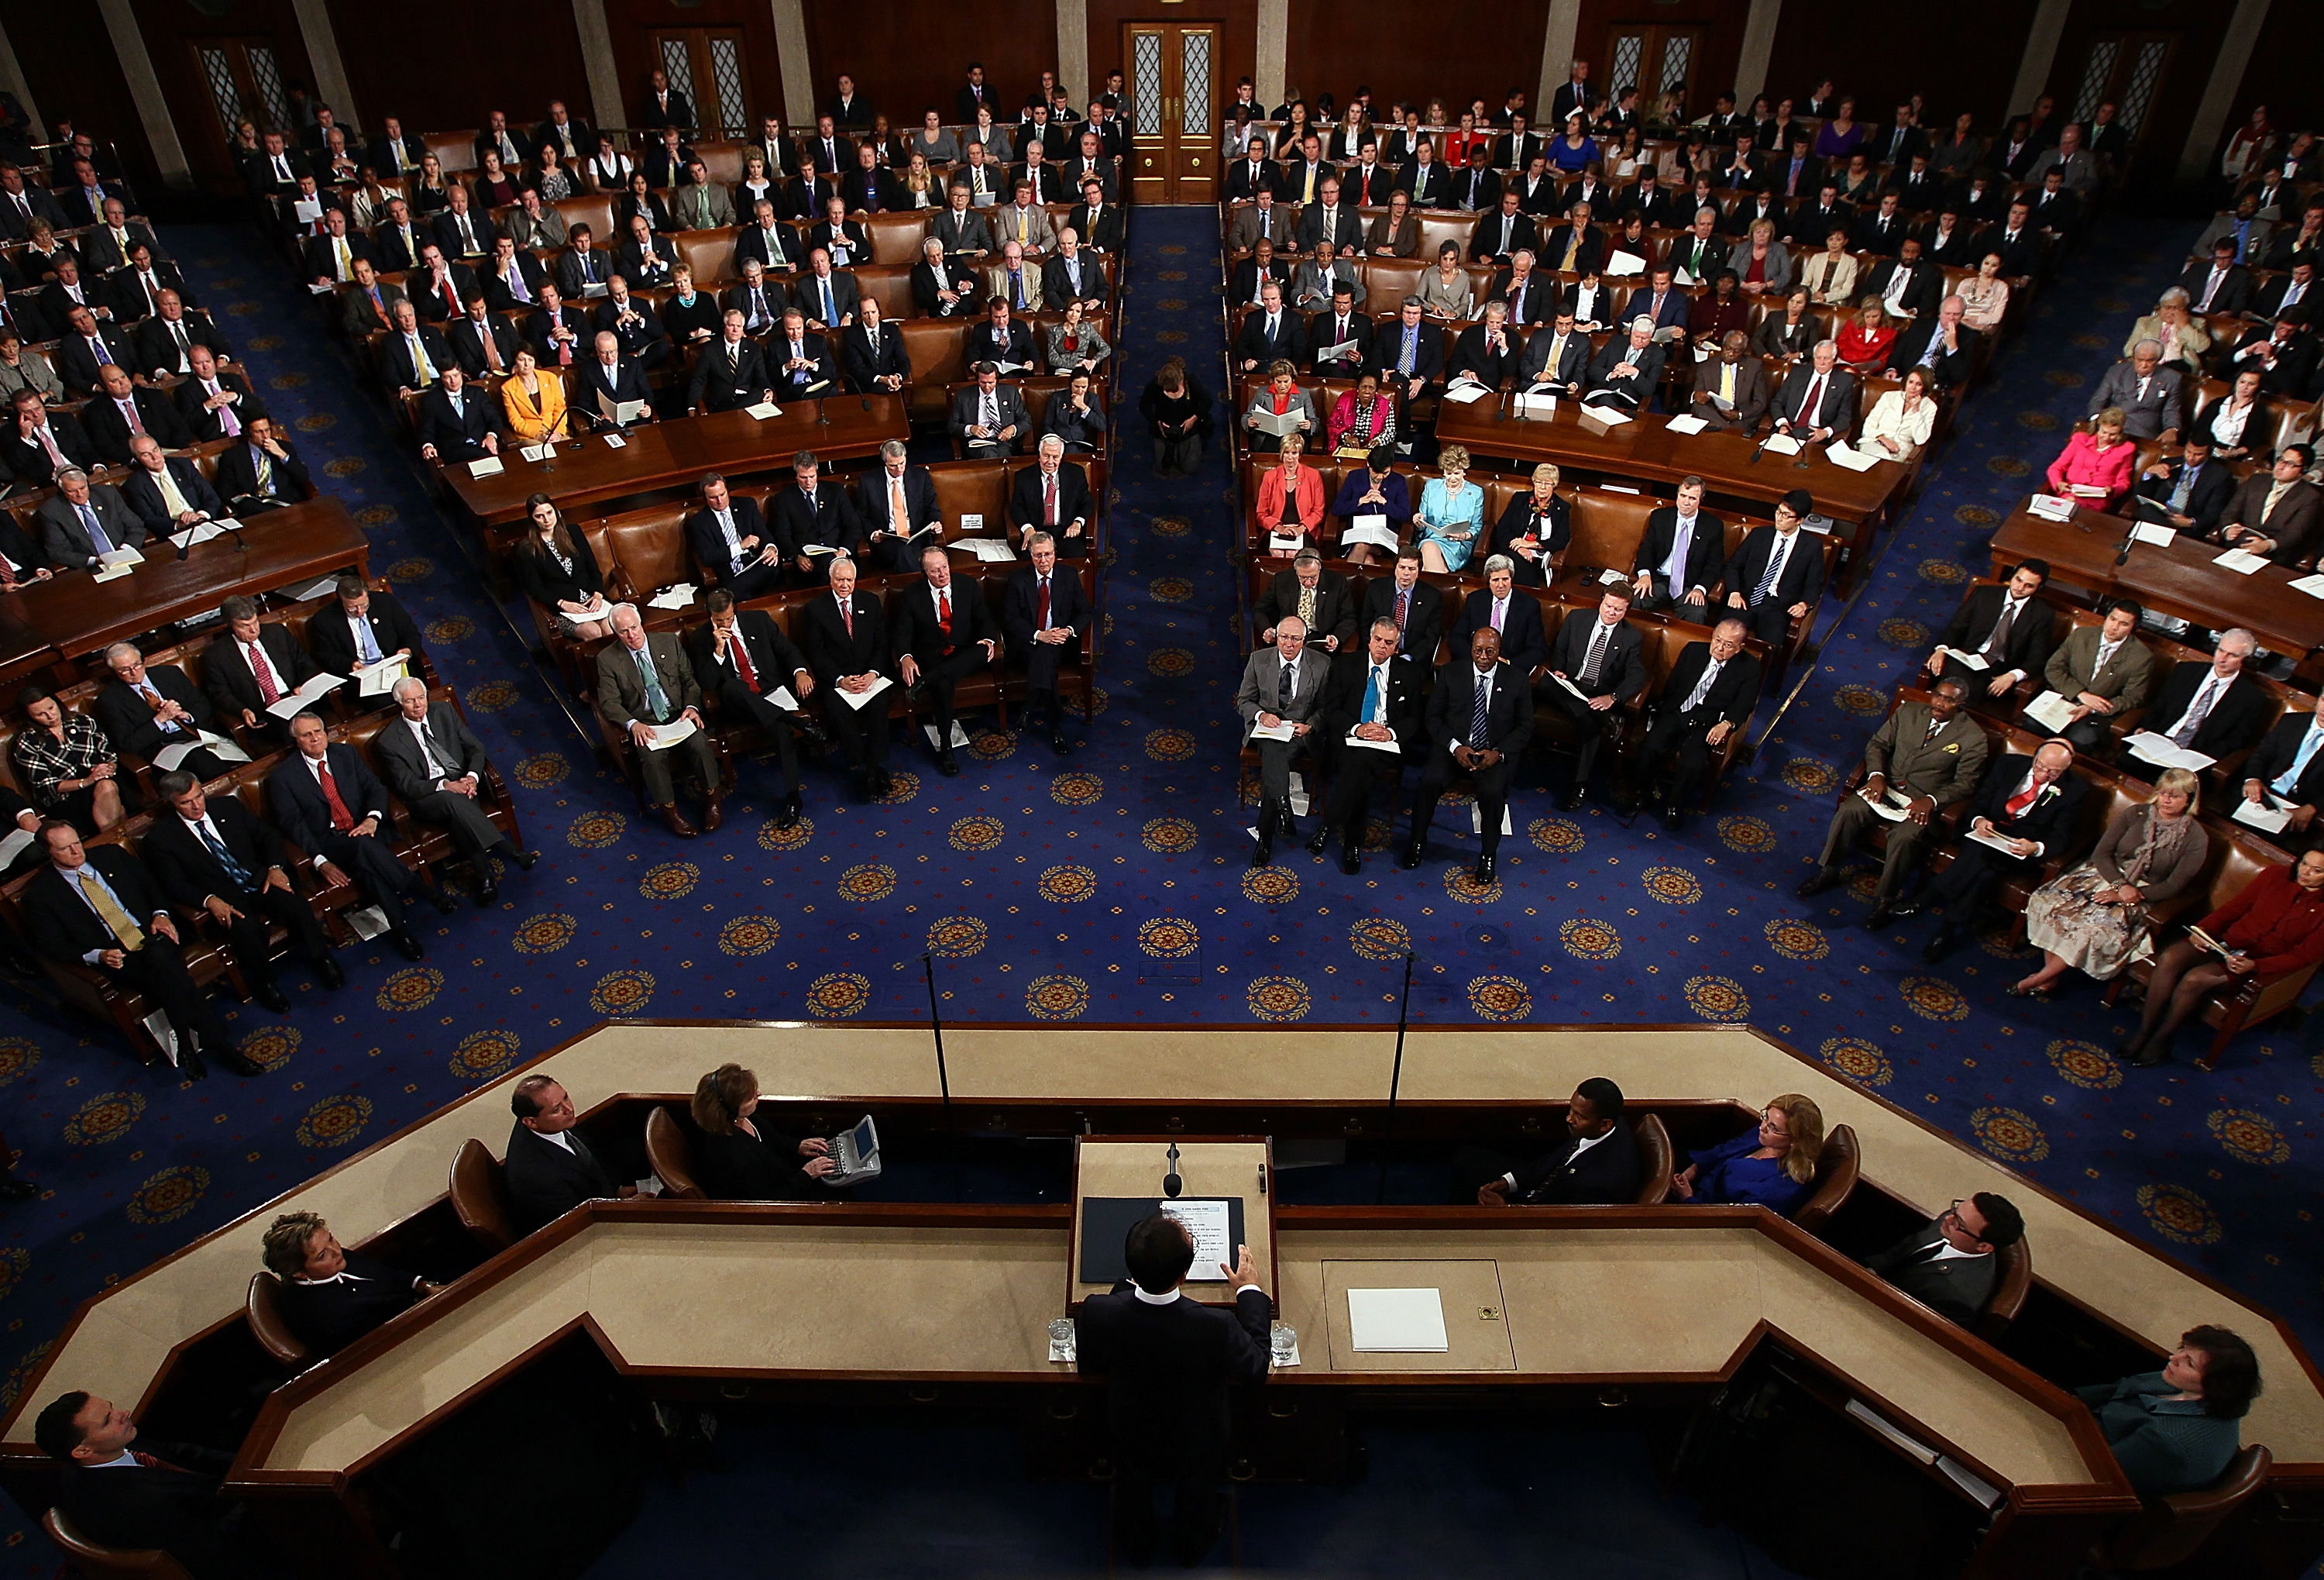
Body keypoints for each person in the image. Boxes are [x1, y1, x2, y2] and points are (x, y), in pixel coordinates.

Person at [1075, 1214, 1270, 1569]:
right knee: (1197, 1491)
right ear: (1184, 1276)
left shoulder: (1098, 1311)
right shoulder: (1216, 1326)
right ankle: (1191, 1546)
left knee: (1133, 1485)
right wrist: (1249, 1292)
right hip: (1196, 1434)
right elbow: (1256, 1368)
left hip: (1131, 1428)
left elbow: (1089, 1365)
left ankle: (1137, 1545)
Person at [20, 820, 263, 1079]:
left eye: (77, 843)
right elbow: (52, 945)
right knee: (168, 972)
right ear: (49, 853)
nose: (77, 851)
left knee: (160, 961)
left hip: (153, 932)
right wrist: (97, 955)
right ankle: (220, 1047)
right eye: (65, 849)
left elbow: (153, 885)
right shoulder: (41, 896)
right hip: (117, 956)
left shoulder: (111, 855)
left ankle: (190, 1046)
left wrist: (161, 914)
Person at [1800, 678, 1989, 928]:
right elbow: (1878, 744)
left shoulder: (1973, 738)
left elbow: (1967, 784)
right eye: (1938, 696)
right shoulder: (1909, 711)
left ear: (1962, 704)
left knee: (1905, 837)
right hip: (1885, 786)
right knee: (1850, 809)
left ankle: (1885, 900)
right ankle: (1829, 871)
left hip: (1920, 802)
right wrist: (1876, 775)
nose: (1940, 703)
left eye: (1949, 700)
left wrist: (1931, 801)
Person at [144, 766, 343, 1002]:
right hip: (223, 897)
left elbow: (267, 836)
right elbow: (173, 883)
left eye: (199, 796)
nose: (197, 806)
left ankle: (323, 959)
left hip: (260, 880)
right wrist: (208, 901)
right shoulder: (162, 838)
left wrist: (275, 868)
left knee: (295, 904)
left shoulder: (227, 806)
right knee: (245, 929)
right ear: (172, 803)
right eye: (186, 803)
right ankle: (266, 983)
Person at [2013, 769, 2210, 999]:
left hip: (2144, 892)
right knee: (2050, 902)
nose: (2165, 800)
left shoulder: (2197, 838)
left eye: (2174, 796)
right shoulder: (2136, 813)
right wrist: (2118, 885)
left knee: (2091, 931)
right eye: (2162, 793)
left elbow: (2174, 885)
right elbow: (2101, 854)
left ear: (2189, 798)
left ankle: (2039, 978)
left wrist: (2126, 894)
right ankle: (2050, 976)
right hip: (2107, 874)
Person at [2121, 846, 2324, 1067]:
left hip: (2256, 964)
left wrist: (2256, 965)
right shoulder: (2275, 875)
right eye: (2304, 863)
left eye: (2316, 870)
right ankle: (2145, 1031)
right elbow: (2234, 908)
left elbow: (2303, 957)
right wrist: (2203, 930)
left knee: (2195, 979)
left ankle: (2162, 1039)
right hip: (2228, 941)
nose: (2305, 872)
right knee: (2171, 957)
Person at [34, 1389, 260, 1577]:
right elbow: (214, 1549)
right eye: (107, 1421)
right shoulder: (137, 1505)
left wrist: (248, 1462)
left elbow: (178, 1452)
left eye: (111, 1408)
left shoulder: (101, 1453)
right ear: (83, 1450)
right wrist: (259, 1491)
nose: (123, 1413)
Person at [1899, 739, 2089, 961]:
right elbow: (1981, 800)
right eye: (2040, 766)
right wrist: (1979, 821)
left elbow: (2062, 836)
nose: (2044, 774)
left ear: (2066, 770)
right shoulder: (2009, 765)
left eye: (2054, 773)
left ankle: (1926, 897)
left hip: (2019, 851)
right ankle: (1945, 931)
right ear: (2035, 757)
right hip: (1985, 835)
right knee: (1984, 870)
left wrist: (2036, 847)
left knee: (1983, 865)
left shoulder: (2075, 791)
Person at [376, 676, 538, 904]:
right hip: (427, 796)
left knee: (459, 813)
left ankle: (486, 880)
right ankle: (509, 850)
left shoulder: (443, 711)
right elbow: (407, 785)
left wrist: (471, 778)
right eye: (410, 701)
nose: (418, 705)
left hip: (461, 783)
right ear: (400, 704)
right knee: (451, 800)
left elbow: (475, 747)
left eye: (421, 698)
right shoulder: (390, 741)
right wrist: (445, 785)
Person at [1405, 625, 1532, 883]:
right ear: (1471, 649)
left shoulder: (1517, 679)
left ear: (1499, 651)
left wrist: (1498, 752)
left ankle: (1488, 855)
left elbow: (1525, 726)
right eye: (1478, 650)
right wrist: (1455, 747)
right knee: (1428, 782)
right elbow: (1433, 718)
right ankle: (1417, 841)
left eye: (1490, 651)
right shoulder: (1451, 673)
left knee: (1493, 793)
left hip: (1493, 754)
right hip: (1454, 749)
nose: (1483, 656)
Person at [2077, 1328, 2262, 1496]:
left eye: (2189, 1363)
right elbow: (2116, 1390)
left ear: (2216, 1386)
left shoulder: (2168, 1444)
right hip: (2084, 1423)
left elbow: (2095, 1473)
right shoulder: (2182, 1382)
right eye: (2182, 1349)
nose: (2174, 1358)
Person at [596, 604, 724, 838]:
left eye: (634, 627)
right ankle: (671, 812)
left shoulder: (668, 642)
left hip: (678, 713)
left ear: (641, 623)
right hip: (645, 722)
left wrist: (692, 707)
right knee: (652, 758)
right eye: (624, 632)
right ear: (616, 633)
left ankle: (713, 799)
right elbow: (609, 702)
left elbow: (689, 680)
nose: (631, 635)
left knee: (699, 743)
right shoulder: (608, 659)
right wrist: (633, 724)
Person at [1632, 618, 1760, 827]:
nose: (1719, 648)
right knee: (1649, 748)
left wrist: (1726, 724)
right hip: (1678, 711)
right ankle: (1643, 793)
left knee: (1692, 763)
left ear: (1739, 648)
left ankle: (1673, 805)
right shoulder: (1693, 651)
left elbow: (1744, 704)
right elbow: (1674, 686)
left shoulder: (1749, 667)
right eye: (1717, 640)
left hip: (1708, 721)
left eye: (1728, 645)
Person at [261, 1210, 439, 1357]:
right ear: (299, 1273)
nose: (337, 1251)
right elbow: (393, 1338)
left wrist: (425, 1285)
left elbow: (386, 1276)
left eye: (331, 1239)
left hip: (418, 1301)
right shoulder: (331, 1318)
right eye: (322, 1255)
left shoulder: (331, 1261)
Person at [796, 555, 895, 800]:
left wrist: (872, 674)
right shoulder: (816, 609)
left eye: (849, 580)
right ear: (831, 581)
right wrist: (841, 680)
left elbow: (882, 645)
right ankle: (862, 762)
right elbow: (816, 655)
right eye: (840, 580)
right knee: (835, 708)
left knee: (880, 704)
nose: (845, 585)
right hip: (837, 681)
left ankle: (872, 769)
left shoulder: (870, 602)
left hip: (870, 677)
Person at [1236, 614, 1329, 866]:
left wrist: (1309, 727)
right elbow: (1243, 701)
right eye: (1284, 637)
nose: (1289, 644)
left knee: (1273, 767)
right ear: (1277, 637)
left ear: (1304, 640)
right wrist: (1261, 714)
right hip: (1267, 732)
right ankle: (1280, 816)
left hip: (1299, 735)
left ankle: (1272, 827)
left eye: (1295, 639)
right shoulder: (1259, 660)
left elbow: (1326, 708)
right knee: (1274, 752)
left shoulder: (1321, 664)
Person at [1458, 1079, 1642, 1206]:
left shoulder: (1599, 1185)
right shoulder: (1604, 1126)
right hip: (1540, 1187)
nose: (1569, 1119)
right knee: (1466, 1158)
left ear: (1605, 1125)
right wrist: (1507, 1183)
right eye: (1571, 1110)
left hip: (1540, 1215)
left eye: (1579, 1115)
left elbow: (1555, 1223)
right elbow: (1554, 1161)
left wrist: (1504, 1211)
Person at [1542, 583, 1644, 807]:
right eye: (1608, 606)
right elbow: (1558, 649)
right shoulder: (1577, 619)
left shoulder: (1631, 637)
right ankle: (1602, 718)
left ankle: (1579, 786)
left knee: (1589, 725)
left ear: (1626, 610)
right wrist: (1560, 669)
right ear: (1602, 601)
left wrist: (1614, 697)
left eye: (1618, 610)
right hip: (1570, 684)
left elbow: (1637, 676)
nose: (1611, 612)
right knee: (1546, 683)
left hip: (1599, 693)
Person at [1862, 1193, 2028, 1327]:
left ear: (1983, 1247)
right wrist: (1871, 1269)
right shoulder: (1952, 1221)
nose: (1948, 1219)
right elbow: (1904, 1249)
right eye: (1956, 1210)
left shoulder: (1959, 1300)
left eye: (1958, 1222)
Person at [505, 1074, 635, 1232]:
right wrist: (626, 1207)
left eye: (565, 1098)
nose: (569, 1109)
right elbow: (583, 1222)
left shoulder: (548, 1121)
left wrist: (617, 1189)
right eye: (556, 1109)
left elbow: (588, 1153)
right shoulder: (539, 1177)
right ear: (531, 1122)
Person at [689, 1063, 837, 1200]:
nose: (758, 1094)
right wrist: (807, 1175)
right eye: (750, 1098)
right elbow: (768, 1200)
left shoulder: (741, 1117)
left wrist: (797, 1146)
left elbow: (773, 1139)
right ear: (731, 1109)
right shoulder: (736, 1156)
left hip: (787, 1176)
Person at [1670, 1094, 1823, 1215]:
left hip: (1701, 1210)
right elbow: (1728, 1148)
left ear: (1795, 1141)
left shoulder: (1777, 1189)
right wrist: (1694, 1169)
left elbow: (1729, 1220)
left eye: (1773, 1128)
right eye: (1766, 1117)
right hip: (1702, 1175)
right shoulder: (1767, 1136)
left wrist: (1687, 1199)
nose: (1763, 1127)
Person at [1005, 533, 1088, 757]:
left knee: (1044, 658)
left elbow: (1085, 611)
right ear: (1031, 557)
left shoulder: (1069, 576)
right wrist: (1038, 634)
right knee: (1044, 664)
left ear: (1055, 554)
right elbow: (1010, 618)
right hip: (1029, 642)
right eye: (1038, 555)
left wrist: (1068, 631)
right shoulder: (1018, 580)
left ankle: (1029, 707)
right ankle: (1055, 728)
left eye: (1048, 554)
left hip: (1060, 641)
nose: (1044, 560)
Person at [1924, 559, 2054, 699]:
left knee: (1969, 687)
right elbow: (1956, 627)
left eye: (2029, 586)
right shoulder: (1983, 594)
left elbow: (2038, 656)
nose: (2020, 587)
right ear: (2012, 575)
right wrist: (1941, 649)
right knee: (1958, 678)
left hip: (2000, 668)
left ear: (2038, 588)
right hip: (1967, 655)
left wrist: (2013, 676)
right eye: (2018, 579)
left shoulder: (2042, 615)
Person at [2041, 597, 2155, 752]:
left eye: (2124, 624)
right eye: (2112, 619)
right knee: (2034, 726)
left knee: (2080, 740)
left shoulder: (2141, 657)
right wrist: (2081, 694)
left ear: (2133, 628)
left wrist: (2092, 708)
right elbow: (2053, 668)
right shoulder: (2081, 635)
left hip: (2098, 715)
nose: (2114, 627)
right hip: (2065, 698)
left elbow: (2133, 697)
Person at [1722, 489, 1824, 652]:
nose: (1779, 518)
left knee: (1769, 647)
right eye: (1778, 511)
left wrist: (1804, 604)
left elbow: (1814, 583)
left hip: (1778, 607)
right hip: (1746, 599)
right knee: (1724, 636)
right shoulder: (1759, 535)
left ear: (1800, 520)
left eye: (1786, 515)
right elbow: (1734, 565)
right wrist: (1734, 591)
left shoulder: (1812, 547)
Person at [513, 495, 609, 641]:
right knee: (593, 632)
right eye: (539, 516)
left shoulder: (573, 532)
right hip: (561, 610)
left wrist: (597, 595)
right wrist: (563, 604)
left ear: (556, 511)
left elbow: (593, 568)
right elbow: (536, 589)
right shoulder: (528, 548)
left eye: (549, 513)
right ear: (532, 519)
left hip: (591, 600)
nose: (547, 520)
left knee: (609, 628)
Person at [2216, 445, 2322, 566]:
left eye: (2290, 464)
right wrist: (2229, 528)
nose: (2281, 466)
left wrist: (2266, 545)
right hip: (2240, 542)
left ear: (2303, 470)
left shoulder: (2310, 497)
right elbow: (2230, 512)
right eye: (2281, 460)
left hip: (2274, 553)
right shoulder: (2256, 481)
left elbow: (2295, 533)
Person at [2044, 407, 2138, 512]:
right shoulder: (2080, 439)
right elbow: (2056, 467)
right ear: (2097, 428)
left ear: (2121, 433)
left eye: (2113, 434)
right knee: (2070, 504)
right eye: (2104, 432)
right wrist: (2059, 483)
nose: (2107, 437)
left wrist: (2113, 489)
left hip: (2097, 499)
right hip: (2071, 492)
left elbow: (2124, 482)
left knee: (2077, 511)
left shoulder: (2127, 449)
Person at [1415, 443, 1484, 573]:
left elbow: (1477, 527)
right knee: (1429, 547)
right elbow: (1422, 521)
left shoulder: (1476, 493)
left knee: (1425, 569)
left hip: (1459, 545)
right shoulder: (1431, 487)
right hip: (1432, 538)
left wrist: (1463, 535)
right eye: (1449, 473)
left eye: (1457, 473)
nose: (1453, 478)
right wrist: (1419, 521)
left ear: (1464, 471)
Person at [1140, 356, 1210, 479]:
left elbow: (1207, 402)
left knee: (1189, 468)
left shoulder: (1191, 381)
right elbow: (1144, 406)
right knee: (1163, 468)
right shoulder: (1156, 384)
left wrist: (1194, 419)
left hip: (1188, 429)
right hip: (1164, 430)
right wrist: (1157, 422)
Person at [1862, 367, 1939, 463]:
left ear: (1925, 387)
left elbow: (1921, 440)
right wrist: (1883, 439)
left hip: (1901, 452)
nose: (1913, 388)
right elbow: (1869, 424)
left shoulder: (1930, 407)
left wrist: (1916, 410)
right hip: (1874, 443)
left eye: (1919, 384)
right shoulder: (1889, 397)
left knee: (1888, 464)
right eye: (1911, 382)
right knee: (1881, 458)